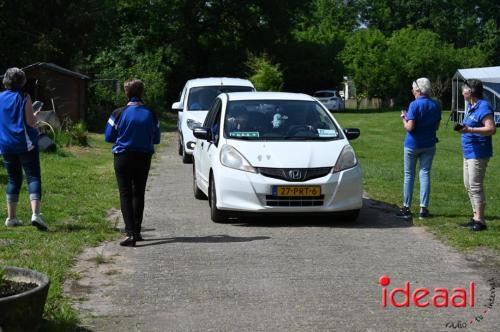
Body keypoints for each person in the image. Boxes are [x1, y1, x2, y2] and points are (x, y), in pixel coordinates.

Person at [105, 79, 160, 246]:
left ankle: (130, 234)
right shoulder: (151, 113)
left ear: (126, 93)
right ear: (142, 93)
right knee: (139, 192)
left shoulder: (118, 113)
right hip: (144, 156)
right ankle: (137, 230)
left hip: (123, 156)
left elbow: (108, 136)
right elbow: (156, 138)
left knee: (125, 193)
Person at [0, 68, 47, 230]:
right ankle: (35, 215)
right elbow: (31, 122)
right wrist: (35, 115)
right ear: (22, 82)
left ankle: (11, 218)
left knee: (13, 179)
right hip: (24, 143)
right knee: (33, 176)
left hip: (5, 145)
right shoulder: (24, 97)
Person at [397, 78, 441, 220]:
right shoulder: (436, 104)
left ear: (418, 91)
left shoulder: (414, 105)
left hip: (412, 145)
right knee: (425, 174)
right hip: (429, 144)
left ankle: (406, 207)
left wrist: (404, 118)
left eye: (413, 89)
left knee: (409, 175)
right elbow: (436, 126)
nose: (412, 91)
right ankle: (423, 209)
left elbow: (410, 127)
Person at [457, 79, 496, 231]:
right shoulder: (471, 106)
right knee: (468, 185)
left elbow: (491, 129)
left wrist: (470, 130)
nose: (462, 93)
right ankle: (475, 217)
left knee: (475, 185)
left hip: (478, 152)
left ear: (470, 92)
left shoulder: (484, 106)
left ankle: (480, 221)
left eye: (464, 90)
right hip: (468, 152)